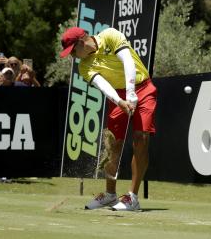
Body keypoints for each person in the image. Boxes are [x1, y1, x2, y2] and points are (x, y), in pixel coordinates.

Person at [60, 27, 157, 211]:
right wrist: (120, 101)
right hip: (118, 96)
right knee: (112, 144)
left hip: (143, 88)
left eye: (73, 51)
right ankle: (110, 195)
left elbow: (128, 60)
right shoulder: (84, 66)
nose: (73, 56)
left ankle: (132, 198)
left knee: (141, 138)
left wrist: (131, 92)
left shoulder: (110, 35)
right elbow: (102, 85)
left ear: (81, 42)